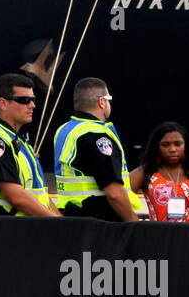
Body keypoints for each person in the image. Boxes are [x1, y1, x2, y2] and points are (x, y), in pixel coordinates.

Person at [53, 77, 141, 221]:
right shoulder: (97, 135)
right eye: (109, 99)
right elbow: (114, 193)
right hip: (100, 221)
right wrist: (133, 222)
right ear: (101, 102)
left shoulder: (65, 130)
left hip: (72, 216)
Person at [0, 73, 59, 217]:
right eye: (24, 100)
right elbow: (16, 197)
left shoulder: (20, 141)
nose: (32, 105)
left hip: (33, 224)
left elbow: (41, 193)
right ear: (3, 103)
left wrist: (62, 221)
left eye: (33, 99)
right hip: (10, 227)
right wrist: (56, 222)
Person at [129, 122, 189, 223]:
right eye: (165, 145)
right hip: (159, 233)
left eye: (178, 144)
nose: (172, 149)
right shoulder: (147, 172)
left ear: (185, 146)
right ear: (156, 147)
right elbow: (120, 194)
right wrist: (133, 221)